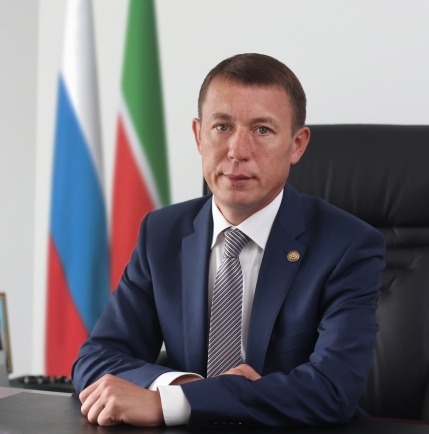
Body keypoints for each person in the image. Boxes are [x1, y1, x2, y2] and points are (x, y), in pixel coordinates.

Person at [72, 53, 385, 428]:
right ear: (198, 135)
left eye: (262, 130)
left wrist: (170, 404)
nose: (238, 151)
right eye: (222, 127)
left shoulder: (349, 245)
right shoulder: (162, 233)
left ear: (297, 144)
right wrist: (186, 390)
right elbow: (96, 359)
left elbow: (332, 390)